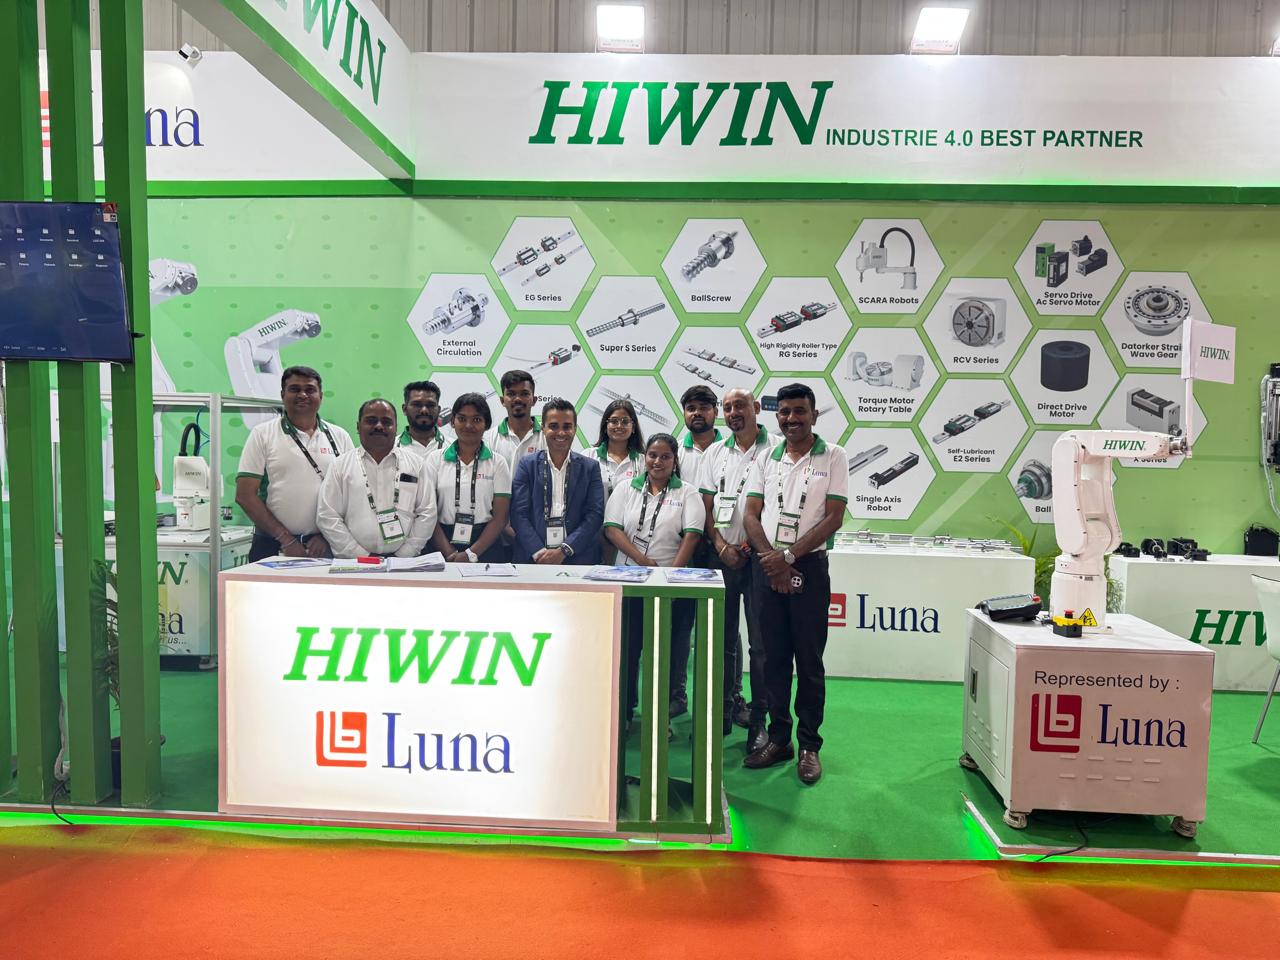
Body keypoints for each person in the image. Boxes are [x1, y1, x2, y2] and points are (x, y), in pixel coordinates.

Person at [742, 383, 849, 785]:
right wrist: (773, 561)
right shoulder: (765, 456)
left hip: (808, 566)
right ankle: (779, 738)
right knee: (772, 658)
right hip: (766, 565)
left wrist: (787, 558)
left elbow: (834, 517)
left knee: (808, 659)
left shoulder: (834, 456)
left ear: (814, 415)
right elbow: (751, 514)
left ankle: (809, 745)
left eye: (800, 411)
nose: (791, 419)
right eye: (785, 412)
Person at [604, 434, 706, 727]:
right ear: (644, 457)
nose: (657, 461)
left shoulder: (687, 493)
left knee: (665, 653)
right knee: (628, 649)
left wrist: (669, 578)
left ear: (675, 461)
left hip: (671, 583)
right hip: (630, 580)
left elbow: (692, 536)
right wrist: (641, 559)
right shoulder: (626, 488)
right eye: (652, 455)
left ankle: (660, 718)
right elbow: (612, 529)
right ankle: (625, 712)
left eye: (665, 456)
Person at [698, 388, 780, 744]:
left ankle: (759, 720)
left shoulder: (776, 448)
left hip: (762, 558)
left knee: (761, 645)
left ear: (756, 408)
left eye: (740, 406)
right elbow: (706, 506)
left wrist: (750, 545)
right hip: (723, 558)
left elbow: (776, 506)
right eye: (728, 407)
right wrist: (720, 545)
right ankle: (722, 713)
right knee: (722, 641)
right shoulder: (715, 452)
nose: (733, 412)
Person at [236, 365, 354, 562]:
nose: (302, 395)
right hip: (273, 545)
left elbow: (352, 492)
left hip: (326, 546)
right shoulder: (262, 434)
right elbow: (245, 495)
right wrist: (286, 539)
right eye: (294, 389)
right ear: (283, 395)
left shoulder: (340, 436)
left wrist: (326, 536)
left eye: (310, 389)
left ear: (321, 396)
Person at [316, 399, 437, 559]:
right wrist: (360, 555)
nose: (379, 426)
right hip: (355, 563)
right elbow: (328, 515)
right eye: (371, 421)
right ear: (358, 427)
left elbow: (427, 512)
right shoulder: (340, 466)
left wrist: (404, 554)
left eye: (386, 422)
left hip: (403, 563)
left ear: (396, 427)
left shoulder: (417, 465)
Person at [669, 384, 722, 716]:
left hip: (721, 548)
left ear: (715, 411)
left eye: (704, 407)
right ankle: (677, 694)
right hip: (684, 549)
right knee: (679, 627)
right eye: (691, 408)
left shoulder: (730, 448)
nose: (697, 413)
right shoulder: (675, 451)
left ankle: (729, 697)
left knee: (725, 628)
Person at [510, 399, 605, 565]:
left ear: (575, 429)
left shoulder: (590, 468)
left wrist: (564, 550)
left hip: (578, 557)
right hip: (533, 558)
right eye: (553, 426)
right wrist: (539, 553)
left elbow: (594, 514)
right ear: (543, 428)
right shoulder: (527, 465)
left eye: (567, 427)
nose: (561, 433)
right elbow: (518, 514)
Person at [424, 392, 512, 563]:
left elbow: (500, 518)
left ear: (487, 424)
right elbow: (428, 511)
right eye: (462, 419)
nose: (468, 425)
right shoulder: (435, 459)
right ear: (452, 422)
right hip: (442, 543)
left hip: (485, 544)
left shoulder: (498, 462)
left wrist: (471, 554)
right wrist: (449, 553)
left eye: (477, 419)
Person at [486, 370, 544, 473]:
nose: (517, 399)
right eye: (511, 394)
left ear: (534, 400)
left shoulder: (547, 437)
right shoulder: (488, 439)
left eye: (524, 394)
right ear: (502, 401)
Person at [594, 398, 645, 499]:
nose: (619, 426)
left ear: (633, 427)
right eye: (614, 421)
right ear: (605, 426)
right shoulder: (589, 456)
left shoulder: (642, 462)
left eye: (625, 422)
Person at [400, 380, 447, 455]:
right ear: (405, 409)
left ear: (438, 410)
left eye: (430, 405)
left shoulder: (454, 448)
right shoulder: (390, 448)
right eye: (417, 405)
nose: (424, 410)